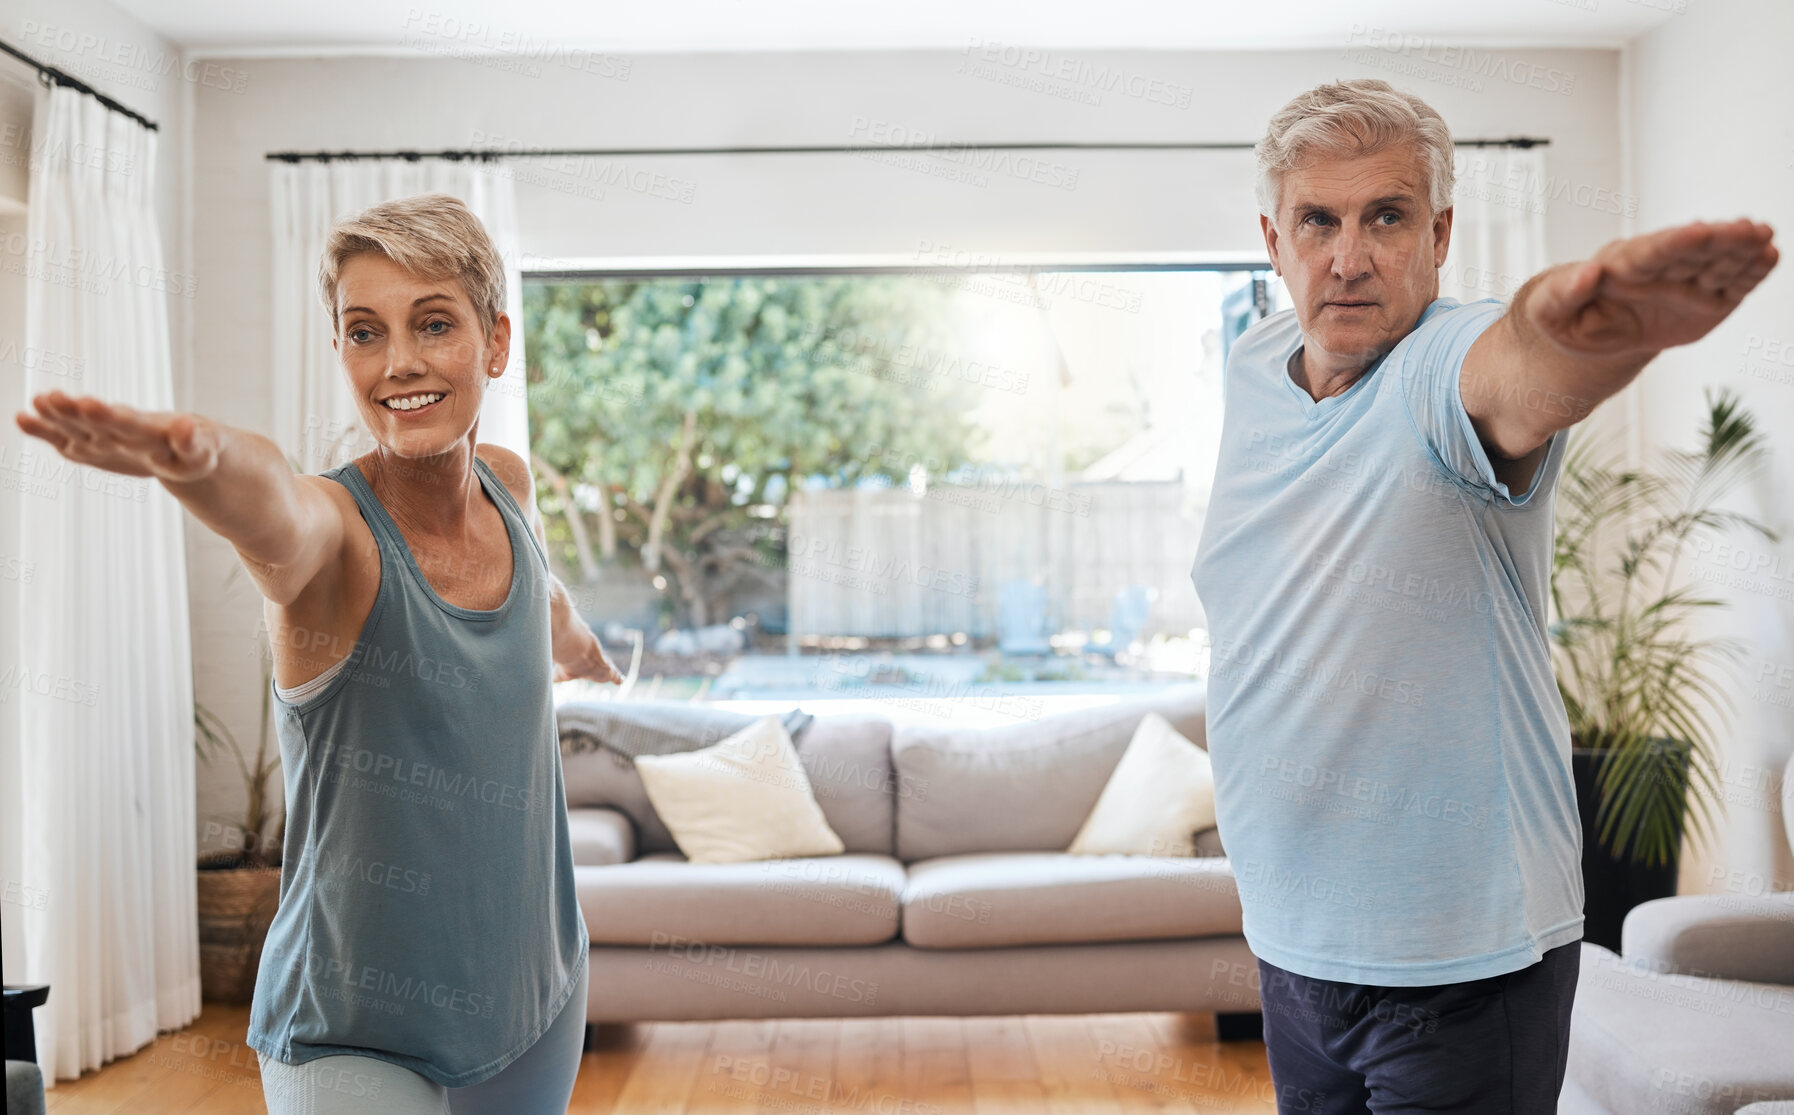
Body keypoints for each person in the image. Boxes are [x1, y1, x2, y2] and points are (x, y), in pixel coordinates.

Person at [1191, 78, 1777, 1114]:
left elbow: (1522, 373)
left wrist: (1596, 329)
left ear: (1441, 233)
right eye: (1317, 221)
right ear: (1273, 243)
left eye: (1388, 215)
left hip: (1460, 966)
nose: (1350, 255)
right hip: (1291, 941)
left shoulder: (1436, 367)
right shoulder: (1254, 365)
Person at [15, 193, 624, 1113]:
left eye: (433, 324)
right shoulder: (334, 540)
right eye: (364, 332)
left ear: (495, 343)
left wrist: (583, 649)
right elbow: (273, 508)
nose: (401, 362)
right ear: (339, 350)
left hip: (537, 996)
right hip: (354, 1033)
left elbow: (542, 603)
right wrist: (201, 460)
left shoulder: (508, 481)